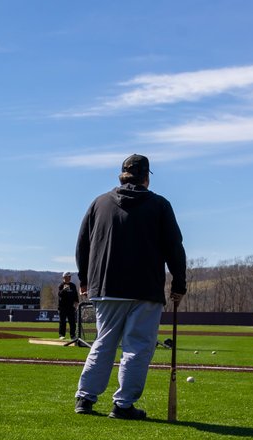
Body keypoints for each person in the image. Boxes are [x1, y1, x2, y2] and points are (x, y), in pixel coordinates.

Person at [73, 154, 186, 420]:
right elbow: (174, 248)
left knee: (103, 342)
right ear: (146, 177)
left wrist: (85, 280)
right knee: (137, 347)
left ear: (122, 175)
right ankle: (123, 405)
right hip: (145, 289)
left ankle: (85, 398)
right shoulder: (159, 205)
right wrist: (179, 284)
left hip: (106, 286)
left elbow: (82, 245)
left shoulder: (99, 203)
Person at [57, 272, 79, 339]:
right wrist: (64, 290)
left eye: (70, 276)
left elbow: (76, 296)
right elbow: (59, 294)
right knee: (62, 322)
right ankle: (61, 335)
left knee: (72, 322)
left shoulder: (73, 285)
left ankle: (73, 335)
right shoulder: (61, 285)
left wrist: (76, 304)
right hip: (62, 307)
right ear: (64, 277)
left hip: (71, 307)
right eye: (68, 276)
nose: (69, 278)